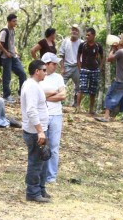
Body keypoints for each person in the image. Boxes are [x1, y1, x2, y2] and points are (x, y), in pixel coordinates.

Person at [21, 59, 51, 203]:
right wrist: (40, 131)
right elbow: (31, 110)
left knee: (42, 160)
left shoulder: (34, 85)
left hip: (40, 129)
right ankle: (32, 191)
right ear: (37, 71)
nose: (46, 72)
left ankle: (40, 188)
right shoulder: (31, 86)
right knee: (35, 161)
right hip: (35, 132)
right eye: (44, 70)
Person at [96, 33, 123, 123]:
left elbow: (109, 59)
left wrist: (113, 48)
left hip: (120, 80)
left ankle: (106, 116)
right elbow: (121, 51)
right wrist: (119, 44)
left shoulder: (121, 52)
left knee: (110, 96)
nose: (120, 39)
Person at [39, 53, 66, 184]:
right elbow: (37, 95)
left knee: (54, 147)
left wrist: (46, 96)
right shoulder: (39, 77)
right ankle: (40, 174)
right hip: (43, 115)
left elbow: (63, 95)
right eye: (53, 64)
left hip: (56, 115)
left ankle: (51, 176)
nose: (55, 66)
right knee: (41, 145)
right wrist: (54, 93)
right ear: (46, 64)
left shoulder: (58, 78)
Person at [0, 13, 26, 103]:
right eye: (14, 21)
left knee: (22, 74)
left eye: (16, 21)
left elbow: (12, 43)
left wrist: (15, 52)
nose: (15, 23)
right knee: (7, 77)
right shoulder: (4, 31)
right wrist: (6, 52)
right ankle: (6, 95)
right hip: (6, 57)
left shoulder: (12, 30)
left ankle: (21, 94)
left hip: (13, 56)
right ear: (9, 21)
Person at [77, 27, 104, 114]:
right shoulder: (83, 45)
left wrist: (100, 67)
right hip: (84, 69)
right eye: (86, 35)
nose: (87, 36)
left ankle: (91, 109)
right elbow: (78, 56)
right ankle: (77, 107)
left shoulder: (98, 46)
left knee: (93, 90)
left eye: (89, 35)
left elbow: (103, 57)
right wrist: (80, 67)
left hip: (95, 70)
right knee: (82, 88)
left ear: (93, 35)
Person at [58, 24, 82, 107]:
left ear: (78, 32)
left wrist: (81, 68)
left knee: (79, 86)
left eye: (76, 30)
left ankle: (76, 103)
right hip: (67, 66)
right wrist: (62, 67)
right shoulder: (65, 41)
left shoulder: (81, 43)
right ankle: (59, 102)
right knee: (61, 83)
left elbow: (83, 56)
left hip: (77, 67)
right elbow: (61, 55)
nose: (74, 31)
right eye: (73, 29)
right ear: (70, 31)